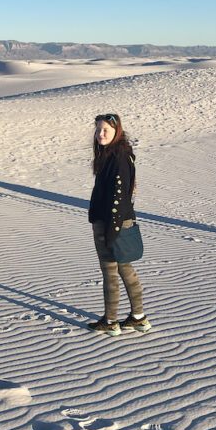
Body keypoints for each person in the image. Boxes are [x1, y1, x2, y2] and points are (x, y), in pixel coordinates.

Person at [87, 113, 151, 335]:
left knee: (110, 273)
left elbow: (119, 197)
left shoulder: (118, 158)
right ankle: (138, 317)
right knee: (125, 269)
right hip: (118, 223)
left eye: (105, 130)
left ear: (117, 132)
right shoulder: (116, 154)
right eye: (98, 130)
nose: (100, 134)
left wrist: (111, 231)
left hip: (111, 224)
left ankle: (110, 321)